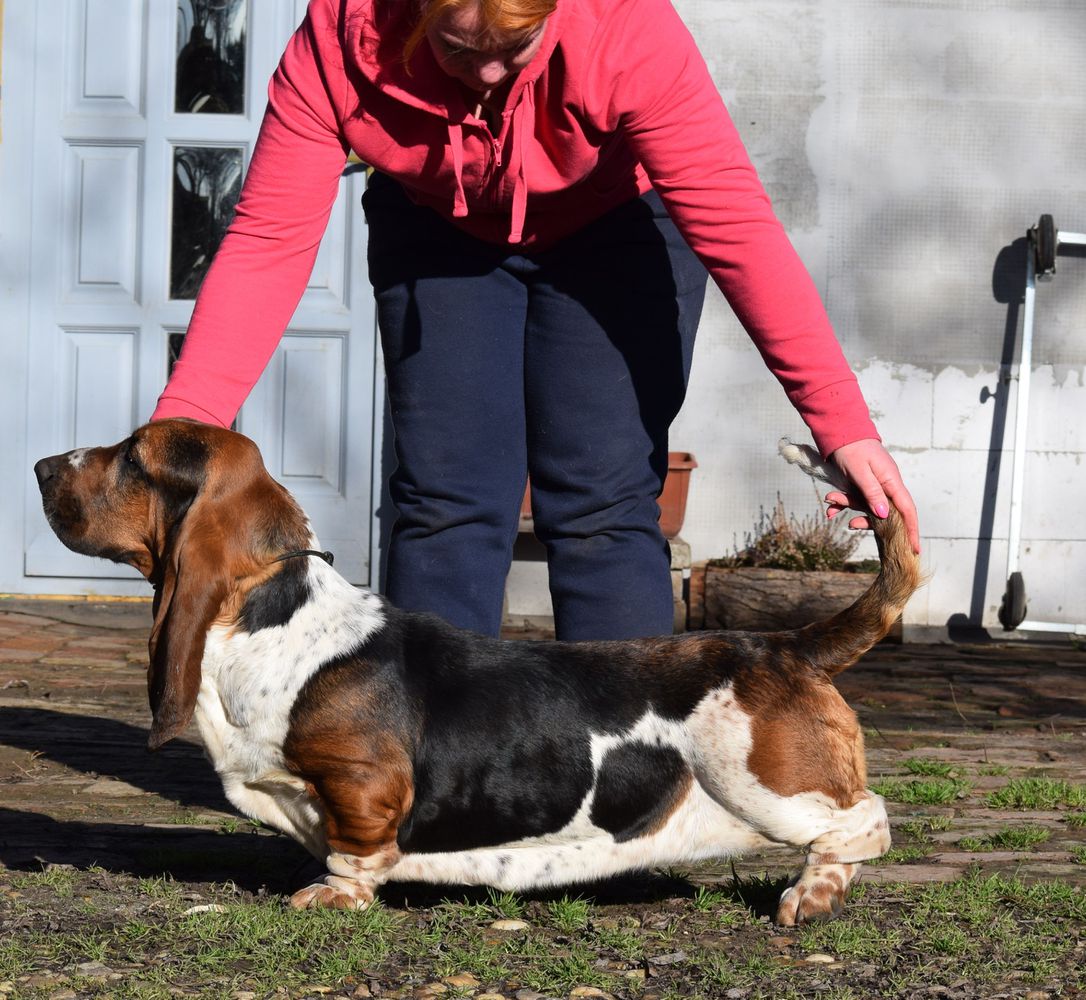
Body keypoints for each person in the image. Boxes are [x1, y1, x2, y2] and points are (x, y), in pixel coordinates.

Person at [153, 0, 920, 642]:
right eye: (458, 48)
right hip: (440, 228)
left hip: (616, 220)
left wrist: (841, 423)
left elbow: (740, 232)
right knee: (441, 504)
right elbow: (265, 244)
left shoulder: (624, 29)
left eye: (515, 48)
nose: (487, 75)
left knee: (603, 505)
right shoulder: (341, 41)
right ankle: (433, 781)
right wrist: (173, 443)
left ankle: (631, 793)